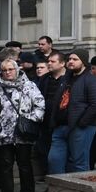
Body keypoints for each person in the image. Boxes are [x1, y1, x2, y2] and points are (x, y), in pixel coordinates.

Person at [0, 58, 45, 192]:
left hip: (23, 133)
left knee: (25, 165)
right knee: (5, 166)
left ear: (17, 70)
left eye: (10, 69)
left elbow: (40, 105)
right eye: (4, 70)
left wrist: (30, 120)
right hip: (3, 133)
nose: (8, 72)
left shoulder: (29, 86)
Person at [49, 50, 96, 175]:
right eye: (69, 59)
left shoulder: (91, 79)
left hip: (80, 127)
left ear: (83, 62)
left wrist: (82, 122)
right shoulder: (65, 79)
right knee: (54, 160)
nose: (71, 62)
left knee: (79, 163)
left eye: (75, 59)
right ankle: (59, 191)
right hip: (60, 126)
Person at [35, 51, 65, 181]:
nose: (49, 64)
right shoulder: (45, 78)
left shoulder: (68, 79)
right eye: (48, 61)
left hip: (61, 121)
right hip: (45, 121)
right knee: (44, 151)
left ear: (62, 63)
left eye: (53, 61)